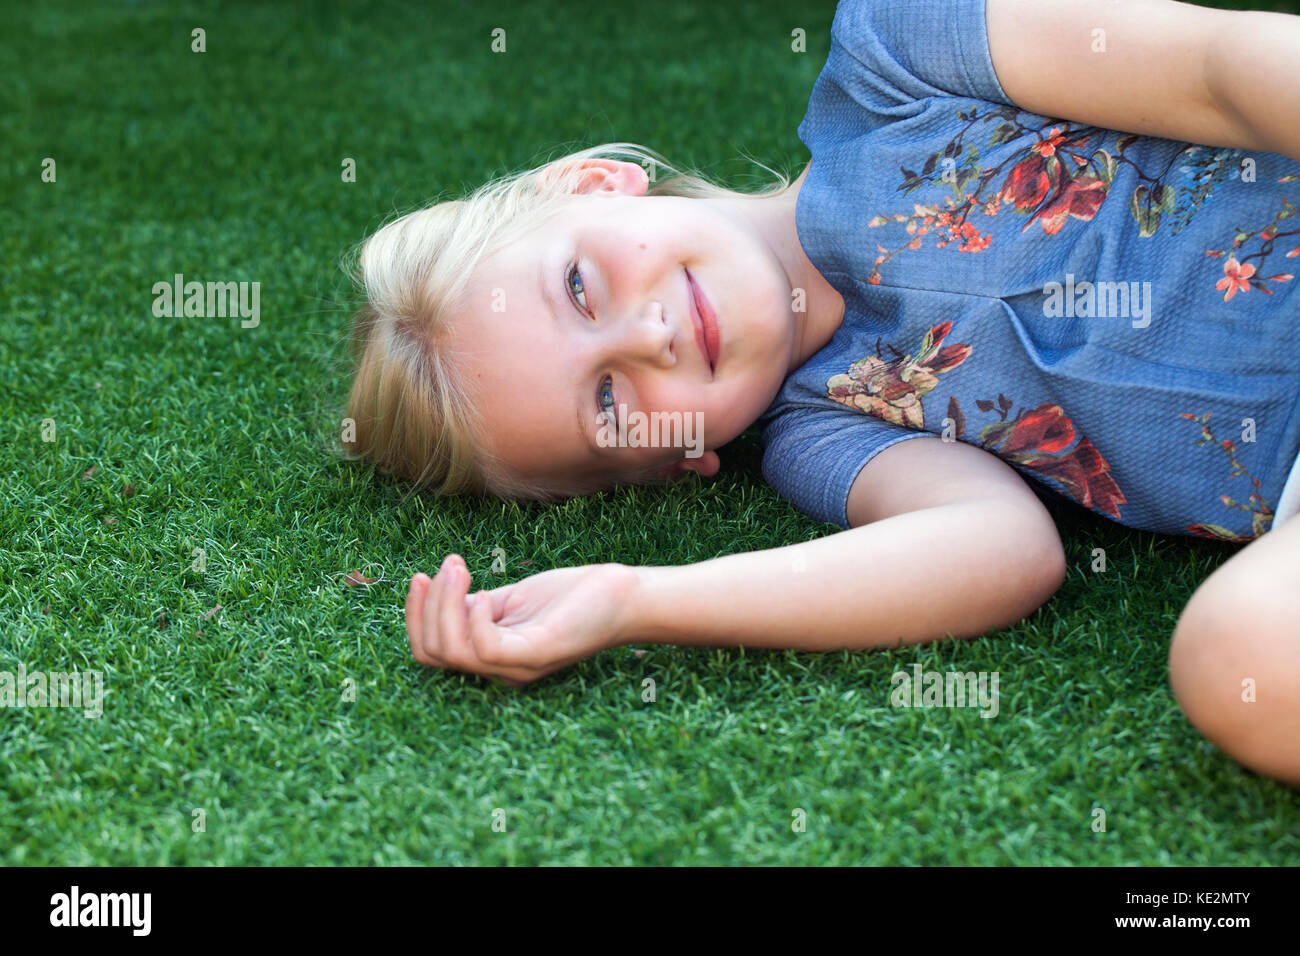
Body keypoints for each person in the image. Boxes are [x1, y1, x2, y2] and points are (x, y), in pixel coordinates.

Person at [344, 0, 1300, 785]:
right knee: (1231, 660)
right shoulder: (824, 432)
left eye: (579, 287)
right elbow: (1002, 551)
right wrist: (636, 599)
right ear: (676, 459)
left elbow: (1221, 68)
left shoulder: (898, 56)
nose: (649, 335)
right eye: (607, 401)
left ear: (594, 183)